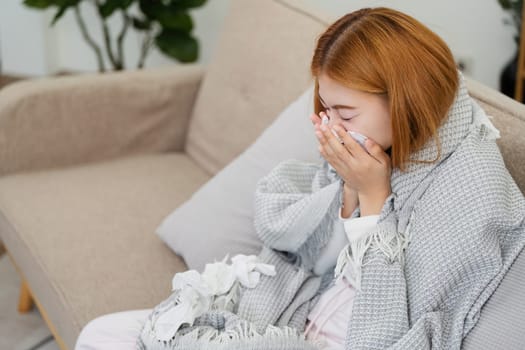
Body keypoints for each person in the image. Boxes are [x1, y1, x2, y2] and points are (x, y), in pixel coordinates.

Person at [76, 7, 525, 350]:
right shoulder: (376, 150)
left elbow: (396, 331)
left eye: (344, 113)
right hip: (296, 318)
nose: (330, 125)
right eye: (325, 108)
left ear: (406, 99)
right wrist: (350, 186)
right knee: (102, 333)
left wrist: (373, 201)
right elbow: (312, 261)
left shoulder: (472, 190)